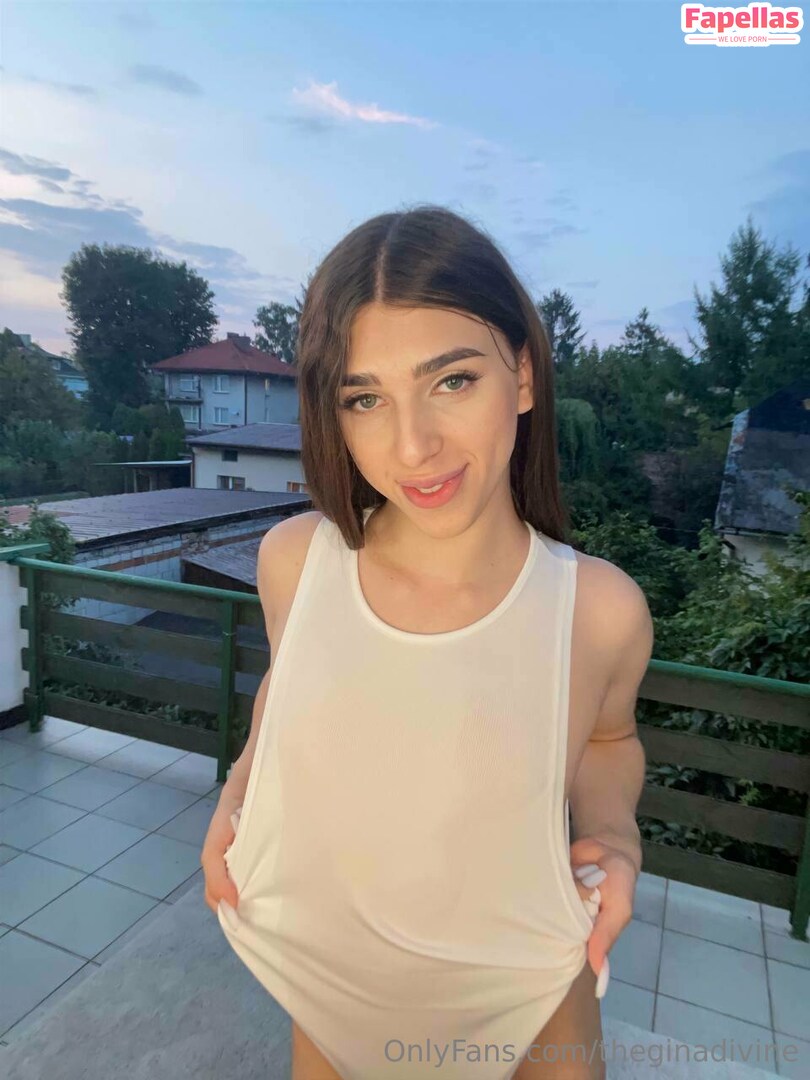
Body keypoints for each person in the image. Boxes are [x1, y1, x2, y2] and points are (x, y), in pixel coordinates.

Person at [202, 204, 653, 1079]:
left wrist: (614, 836)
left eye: (452, 381)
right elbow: (284, 691)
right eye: (365, 398)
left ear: (523, 375)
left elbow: (609, 739)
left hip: (528, 1003)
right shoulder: (295, 563)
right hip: (331, 994)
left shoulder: (598, 610)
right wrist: (239, 787)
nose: (413, 445)